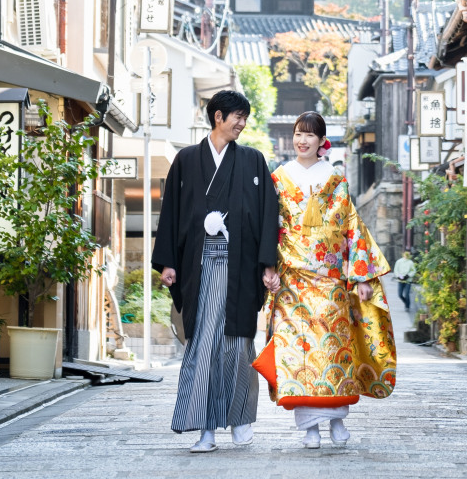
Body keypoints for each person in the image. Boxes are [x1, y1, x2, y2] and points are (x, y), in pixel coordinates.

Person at [152, 89, 279, 453]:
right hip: (200, 264)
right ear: (218, 117)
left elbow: (267, 213)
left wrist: (268, 264)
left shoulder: (253, 160)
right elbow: (172, 211)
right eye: (237, 116)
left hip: (241, 266)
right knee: (203, 344)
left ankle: (239, 419)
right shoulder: (187, 160)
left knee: (238, 345)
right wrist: (169, 261)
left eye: (245, 118)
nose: (242, 123)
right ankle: (204, 428)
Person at [259, 112, 396, 448]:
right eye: (298, 133)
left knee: (335, 351)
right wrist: (268, 267)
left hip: (331, 282)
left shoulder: (336, 180)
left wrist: (361, 276)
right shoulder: (279, 178)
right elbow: (269, 228)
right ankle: (310, 427)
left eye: (310, 135)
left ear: (322, 141)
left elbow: (352, 228)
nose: (302, 140)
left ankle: (336, 419)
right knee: (298, 354)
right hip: (292, 282)